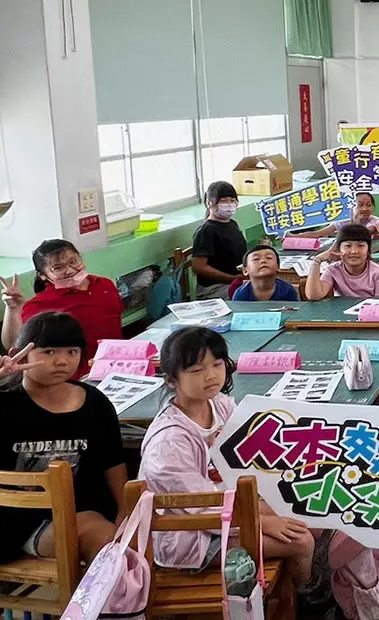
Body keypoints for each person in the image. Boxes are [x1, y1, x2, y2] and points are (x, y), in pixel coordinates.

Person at [139, 328, 323, 599]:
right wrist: (262, 523)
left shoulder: (220, 405)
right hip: (192, 536)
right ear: (170, 379)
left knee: (311, 517)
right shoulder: (169, 442)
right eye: (196, 370)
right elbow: (201, 508)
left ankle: (299, 586)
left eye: (217, 364)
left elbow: (252, 449)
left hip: (231, 507)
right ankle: (308, 598)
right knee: (301, 541)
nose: (211, 375)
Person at [0, 312, 126, 564]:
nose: (62, 361)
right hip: (17, 522)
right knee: (99, 536)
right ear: (19, 355)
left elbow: (113, 463)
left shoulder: (95, 403)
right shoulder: (5, 403)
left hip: (86, 510)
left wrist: (126, 510)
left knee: (110, 543)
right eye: (49, 352)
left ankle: (102, 588)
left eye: (72, 352)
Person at [1, 239, 123, 374]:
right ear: (42, 275)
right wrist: (12, 309)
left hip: (119, 362)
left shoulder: (104, 284)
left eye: (73, 261)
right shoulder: (41, 304)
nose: (70, 270)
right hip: (80, 374)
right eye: (58, 268)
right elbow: (14, 345)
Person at [191, 181, 248, 298]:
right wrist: (231, 279)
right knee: (253, 295)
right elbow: (198, 267)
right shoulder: (206, 231)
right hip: (214, 288)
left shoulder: (233, 224)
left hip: (237, 281)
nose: (229, 204)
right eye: (223, 201)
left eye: (232, 200)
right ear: (209, 203)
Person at [304, 224, 379, 299]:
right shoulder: (333, 270)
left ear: (368, 250)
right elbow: (313, 295)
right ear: (338, 249)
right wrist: (316, 261)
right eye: (348, 246)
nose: (354, 251)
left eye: (360, 246)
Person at [231, 245, 299, 303]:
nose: (263, 261)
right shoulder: (240, 294)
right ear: (245, 270)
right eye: (256, 259)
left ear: (278, 267)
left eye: (269, 258)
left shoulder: (287, 290)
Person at [311, 191, 379, 238]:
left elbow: (363, 232)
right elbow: (319, 233)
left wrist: (357, 222)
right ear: (350, 206)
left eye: (369, 205)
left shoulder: (374, 220)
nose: (365, 209)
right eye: (360, 205)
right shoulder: (344, 220)